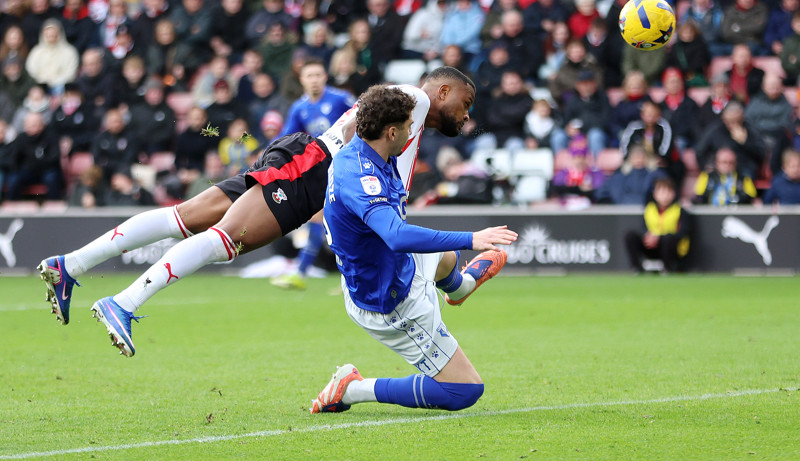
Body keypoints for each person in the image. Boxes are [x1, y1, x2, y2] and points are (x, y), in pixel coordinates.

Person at [38, 67, 477, 354]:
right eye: (464, 103)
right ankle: (123, 302)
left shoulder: (413, 117)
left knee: (183, 217)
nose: (466, 114)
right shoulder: (416, 101)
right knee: (222, 242)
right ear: (441, 90)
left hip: (304, 159)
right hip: (312, 169)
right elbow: (363, 120)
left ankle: (71, 264)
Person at [310, 84, 517, 414]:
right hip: (389, 299)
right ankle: (351, 389)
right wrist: (471, 238)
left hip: (388, 263)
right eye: (409, 127)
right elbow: (396, 235)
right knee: (463, 390)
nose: (413, 132)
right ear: (391, 131)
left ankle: (460, 288)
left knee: (444, 258)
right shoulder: (360, 176)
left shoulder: (368, 147)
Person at [270, 59, 355, 289]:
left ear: (325, 76)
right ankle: (306, 273)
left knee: (346, 222)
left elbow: (364, 118)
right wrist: (267, 153)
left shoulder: (340, 99)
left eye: (318, 74)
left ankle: (306, 272)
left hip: (350, 168)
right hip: (324, 170)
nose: (314, 79)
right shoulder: (300, 107)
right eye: (310, 76)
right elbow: (287, 136)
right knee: (324, 220)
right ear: (302, 80)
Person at [624, 177, 690, 274]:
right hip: (652, 247)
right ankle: (636, 268)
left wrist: (659, 237)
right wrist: (648, 236)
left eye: (668, 192)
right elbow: (644, 227)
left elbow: (682, 233)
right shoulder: (649, 209)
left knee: (668, 238)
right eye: (661, 192)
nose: (665, 196)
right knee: (630, 235)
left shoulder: (680, 210)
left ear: (673, 194)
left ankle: (668, 268)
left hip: (672, 249)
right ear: (655, 194)